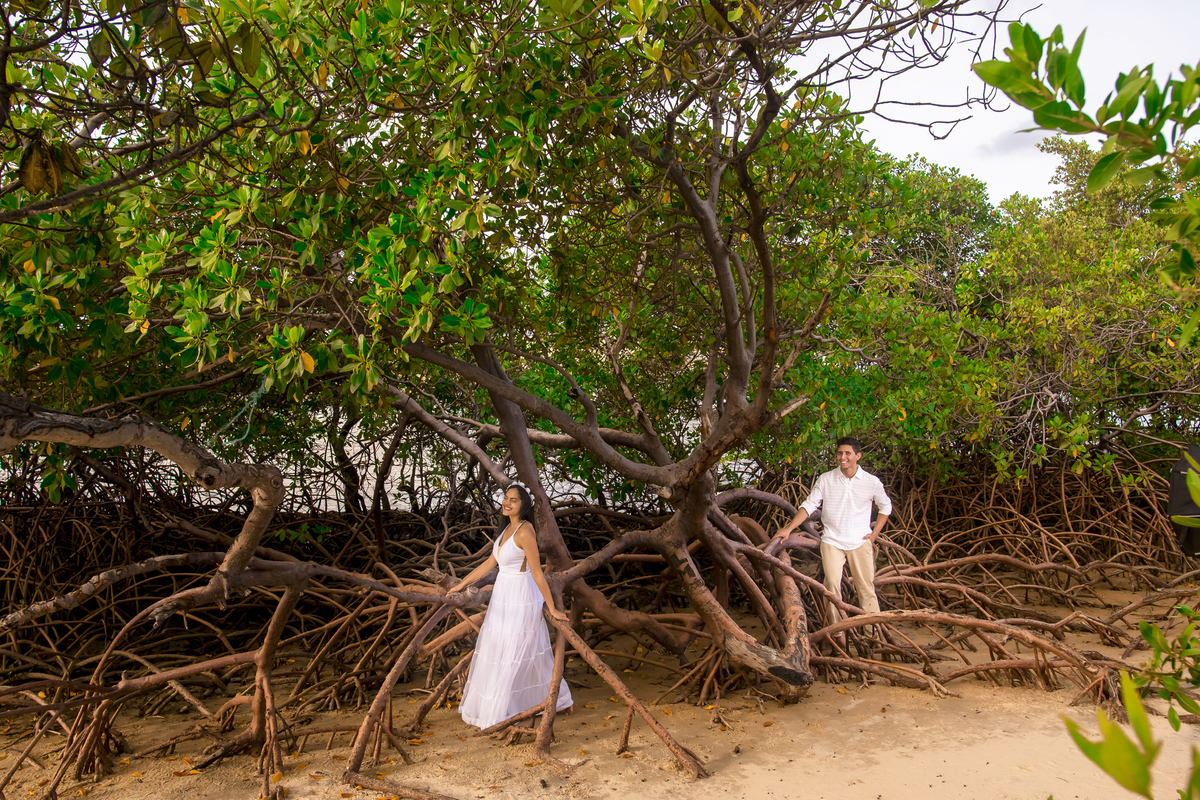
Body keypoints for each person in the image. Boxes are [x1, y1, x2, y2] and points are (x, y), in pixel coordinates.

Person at [451, 482, 573, 728]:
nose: (506, 503)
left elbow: (538, 573)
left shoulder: (525, 531)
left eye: (513, 500)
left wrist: (553, 607)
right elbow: (489, 564)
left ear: (523, 505)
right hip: (503, 594)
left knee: (516, 651)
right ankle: (545, 700)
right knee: (499, 649)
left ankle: (552, 700)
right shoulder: (507, 528)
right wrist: (461, 584)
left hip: (521, 594)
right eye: (506, 498)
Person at [772, 437, 892, 629]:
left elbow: (886, 507)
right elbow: (809, 505)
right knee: (831, 588)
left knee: (866, 589)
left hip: (860, 541)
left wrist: (874, 534)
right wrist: (788, 528)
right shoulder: (826, 479)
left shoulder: (871, 482)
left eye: (847, 453)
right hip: (832, 541)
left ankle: (874, 634)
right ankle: (838, 633)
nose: (842, 457)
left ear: (857, 456)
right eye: (839, 453)